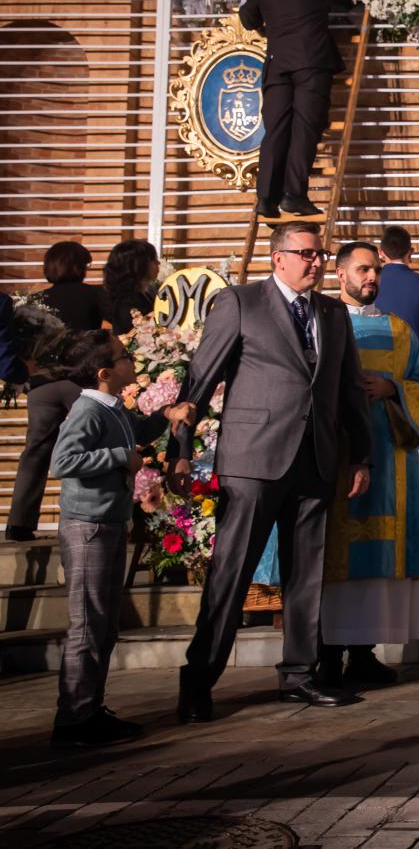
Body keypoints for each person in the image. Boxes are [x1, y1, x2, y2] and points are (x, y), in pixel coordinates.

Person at [166, 221, 372, 722]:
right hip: (253, 462)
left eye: (320, 254)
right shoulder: (241, 303)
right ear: (278, 258)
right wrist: (180, 449)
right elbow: (199, 380)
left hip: (316, 459)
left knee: (306, 577)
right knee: (231, 574)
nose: (316, 262)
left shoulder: (332, 314)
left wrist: (360, 456)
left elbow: (349, 390)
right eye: (306, 254)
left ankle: (299, 676)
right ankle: (198, 681)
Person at [48, 331, 194, 746]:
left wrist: (167, 414)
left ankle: (90, 708)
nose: (132, 361)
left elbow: (139, 429)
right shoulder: (87, 411)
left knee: (104, 624)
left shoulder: (112, 408)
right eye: (124, 357)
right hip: (88, 526)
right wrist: (118, 458)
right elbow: (63, 460)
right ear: (104, 373)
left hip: (108, 523)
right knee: (87, 624)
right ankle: (74, 721)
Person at [318, 242, 419, 688]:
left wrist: (393, 389)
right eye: (362, 269)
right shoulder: (319, 324)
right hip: (333, 460)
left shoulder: (398, 330)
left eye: (376, 270)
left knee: (375, 564)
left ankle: (363, 653)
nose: (371, 277)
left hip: (388, 462)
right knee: (329, 555)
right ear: (340, 274)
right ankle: (325, 654)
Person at [7, 242, 113, 541]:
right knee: (93, 445)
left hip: (41, 386)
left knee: (36, 451)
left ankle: (19, 523)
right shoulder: (93, 295)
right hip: (80, 384)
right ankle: (92, 519)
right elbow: (121, 322)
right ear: (80, 266)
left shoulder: (34, 300)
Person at [240, 0, 345, 219]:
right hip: (312, 62)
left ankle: (265, 198)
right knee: (304, 128)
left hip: (279, 65)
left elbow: (249, 21)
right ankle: (294, 194)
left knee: (275, 131)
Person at [374, 226, 419, 352]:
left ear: (380, 253)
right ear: (411, 251)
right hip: (418, 359)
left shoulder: (371, 283)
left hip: (378, 358)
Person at [103, 239, 161, 335]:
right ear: (139, 264)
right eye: (153, 259)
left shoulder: (143, 294)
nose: (158, 263)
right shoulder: (127, 302)